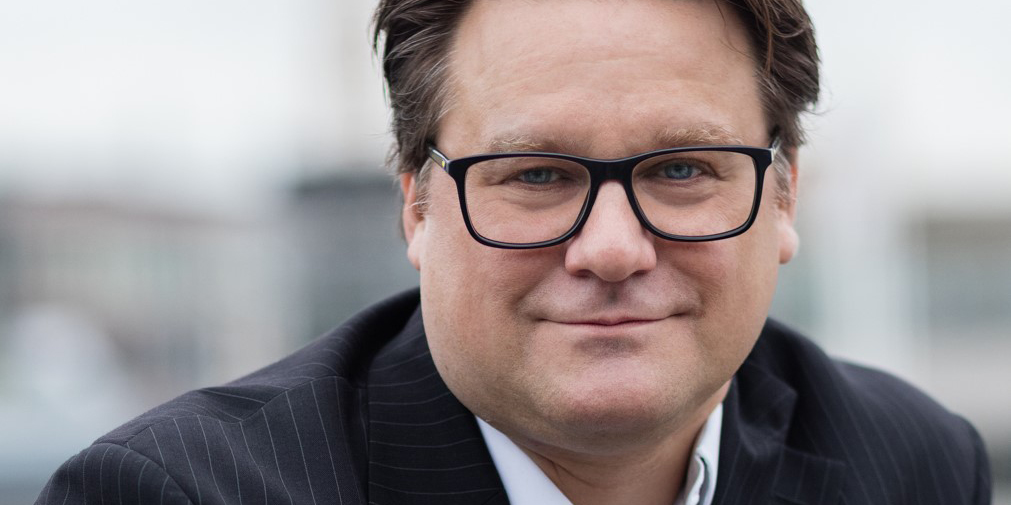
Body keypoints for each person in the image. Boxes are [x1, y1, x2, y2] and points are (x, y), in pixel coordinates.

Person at [37, 0, 992, 503]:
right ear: (416, 206)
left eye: (681, 169)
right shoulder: (177, 493)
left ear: (782, 196)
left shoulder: (909, 461)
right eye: (536, 174)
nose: (612, 248)